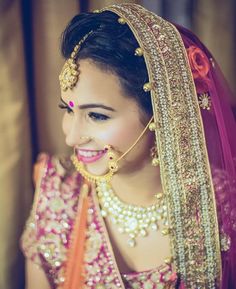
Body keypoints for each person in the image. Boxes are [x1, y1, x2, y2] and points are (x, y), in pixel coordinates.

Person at [21, 3, 236, 289]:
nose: (72, 138)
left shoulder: (220, 207)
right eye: (68, 109)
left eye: (97, 115)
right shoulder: (59, 196)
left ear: (161, 114)